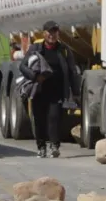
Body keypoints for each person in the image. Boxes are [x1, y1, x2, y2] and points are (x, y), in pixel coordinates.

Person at [19, 20, 80, 158]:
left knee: (55, 118)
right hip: (39, 90)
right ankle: (41, 147)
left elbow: (72, 72)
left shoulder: (64, 50)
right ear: (44, 33)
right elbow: (22, 66)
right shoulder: (35, 48)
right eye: (49, 32)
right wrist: (35, 76)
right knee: (39, 119)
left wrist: (75, 93)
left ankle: (54, 146)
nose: (52, 35)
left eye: (55, 32)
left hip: (57, 91)